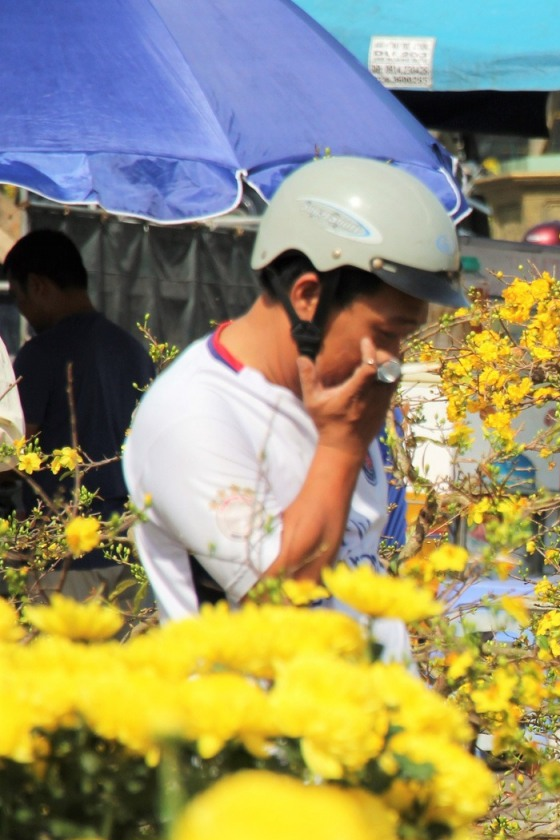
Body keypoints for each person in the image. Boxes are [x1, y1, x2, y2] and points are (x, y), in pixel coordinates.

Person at [123, 156, 467, 658]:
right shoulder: (194, 415)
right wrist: (341, 448)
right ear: (307, 296)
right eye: (386, 334)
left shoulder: (340, 399)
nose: (391, 361)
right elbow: (285, 600)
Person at [3, 230, 154, 600]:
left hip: (63, 556)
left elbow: (15, 454)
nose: (21, 310)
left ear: (37, 286)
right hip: (132, 547)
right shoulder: (134, 350)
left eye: (19, 297)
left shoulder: (40, 356)